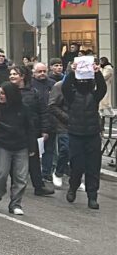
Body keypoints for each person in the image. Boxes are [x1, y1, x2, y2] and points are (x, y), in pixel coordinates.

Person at [51, 62, 107, 209]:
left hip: (92, 135)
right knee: (77, 166)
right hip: (76, 135)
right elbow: (65, 87)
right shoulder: (71, 96)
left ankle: (92, 196)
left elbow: (102, 88)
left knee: (93, 168)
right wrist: (73, 72)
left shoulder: (94, 96)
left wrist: (97, 72)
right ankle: (73, 187)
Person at [0, 82, 35, 215]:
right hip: (3, 146)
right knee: (1, 174)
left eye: (3, 93)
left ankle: (16, 203)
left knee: (21, 177)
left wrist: (32, 146)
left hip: (21, 146)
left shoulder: (24, 109)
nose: (0, 96)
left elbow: (30, 128)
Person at [8, 65, 53, 196]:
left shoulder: (33, 92)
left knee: (34, 161)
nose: (12, 76)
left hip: (31, 132)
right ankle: (14, 185)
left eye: (15, 74)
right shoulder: (7, 91)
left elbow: (43, 112)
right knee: (12, 159)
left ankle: (39, 186)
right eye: (11, 74)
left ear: (22, 76)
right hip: (12, 132)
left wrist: (45, 130)